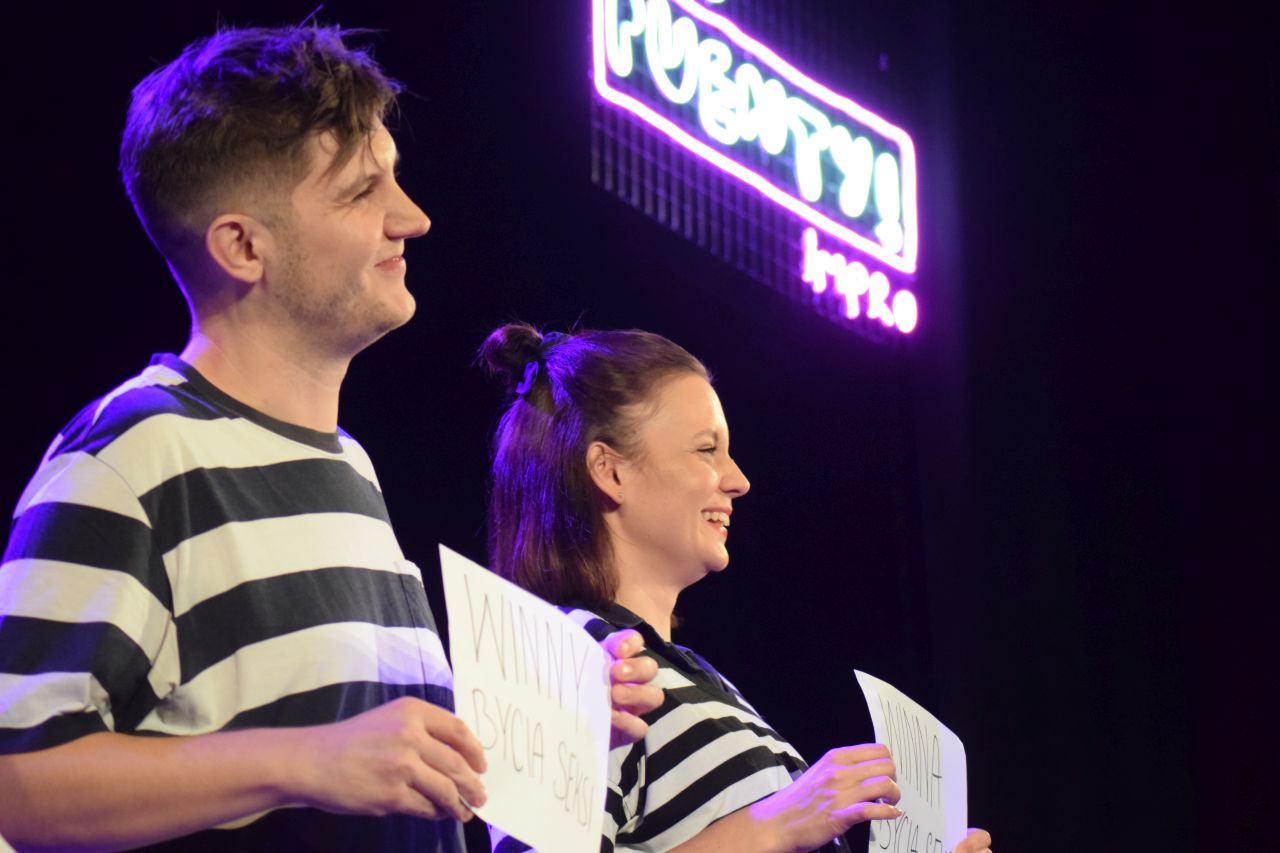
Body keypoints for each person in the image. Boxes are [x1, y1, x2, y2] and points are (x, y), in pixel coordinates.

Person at [0, 25, 659, 851]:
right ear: (243, 246)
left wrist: (551, 718)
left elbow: (362, 772)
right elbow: (17, 786)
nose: (411, 218)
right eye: (360, 192)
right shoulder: (131, 455)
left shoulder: (349, 467)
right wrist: (309, 759)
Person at [480, 323, 994, 853]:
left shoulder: (703, 682)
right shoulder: (567, 655)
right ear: (611, 472)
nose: (738, 480)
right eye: (707, 449)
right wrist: (773, 823)